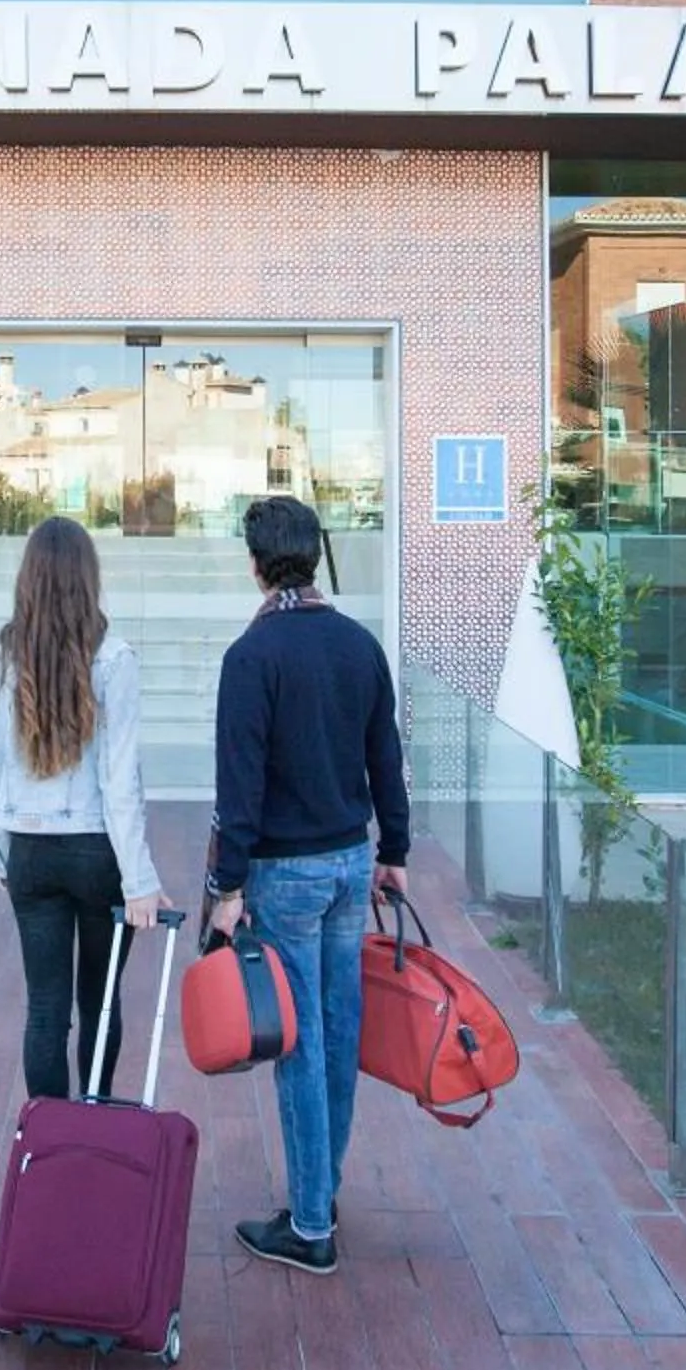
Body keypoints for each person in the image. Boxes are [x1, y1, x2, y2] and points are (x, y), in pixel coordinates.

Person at [208, 494, 410, 1274]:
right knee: (337, 1026)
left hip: (284, 873)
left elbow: (239, 785)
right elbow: (385, 758)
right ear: (316, 556)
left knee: (297, 1041)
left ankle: (310, 1225)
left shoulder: (251, 657)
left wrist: (227, 887)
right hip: (351, 863)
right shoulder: (359, 645)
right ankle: (322, 1189)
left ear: (256, 564)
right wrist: (394, 848)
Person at [0, 514, 163, 1101]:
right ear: (89, 577)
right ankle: (93, 1124)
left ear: (27, 578)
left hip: (29, 849)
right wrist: (139, 879)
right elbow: (120, 780)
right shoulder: (114, 658)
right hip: (98, 853)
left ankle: (46, 1138)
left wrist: (2, 855)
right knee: (100, 1003)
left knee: (45, 1009)